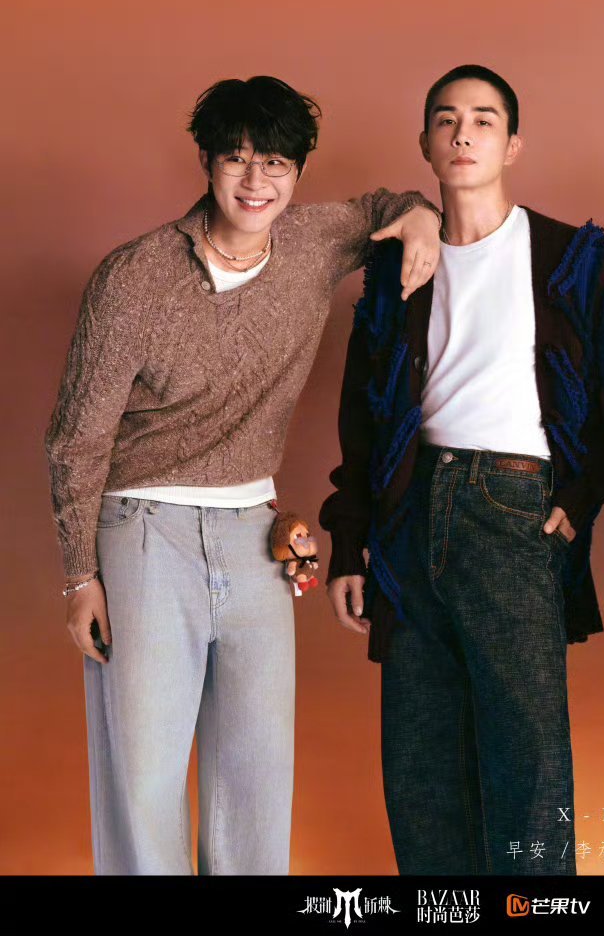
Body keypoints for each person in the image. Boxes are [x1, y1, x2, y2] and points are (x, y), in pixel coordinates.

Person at [45, 75, 440, 875]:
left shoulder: (312, 242)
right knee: (145, 774)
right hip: (143, 531)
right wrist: (80, 575)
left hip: (256, 535)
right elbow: (76, 438)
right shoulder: (133, 277)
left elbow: (385, 206)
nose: (257, 181)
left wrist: (423, 217)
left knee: (255, 772)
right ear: (207, 162)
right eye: (237, 158)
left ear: (297, 172)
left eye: (277, 163)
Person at [320, 64, 604, 875]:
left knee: (526, 757)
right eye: (446, 119)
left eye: (483, 120)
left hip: (512, 506)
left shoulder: (570, 258)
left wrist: (579, 497)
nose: (463, 133)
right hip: (410, 510)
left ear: (513, 145)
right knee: (421, 760)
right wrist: (350, 547)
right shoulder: (396, 265)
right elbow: (364, 418)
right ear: (425, 143)